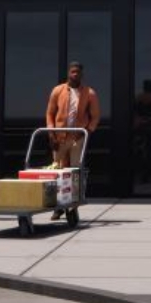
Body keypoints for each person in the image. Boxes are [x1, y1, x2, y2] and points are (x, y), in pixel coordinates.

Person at [44, 61, 99, 219]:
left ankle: (73, 208)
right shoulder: (58, 90)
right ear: (68, 73)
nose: (75, 74)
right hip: (59, 137)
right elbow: (50, 113)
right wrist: (51, 134)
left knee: (74, 173)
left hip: (77, 137)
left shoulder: (89, 93)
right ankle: (58, 206)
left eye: (78, 72)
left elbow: (95, 116)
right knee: (57, 171)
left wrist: (87, 132)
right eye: (73, 71)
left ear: (82, 74)